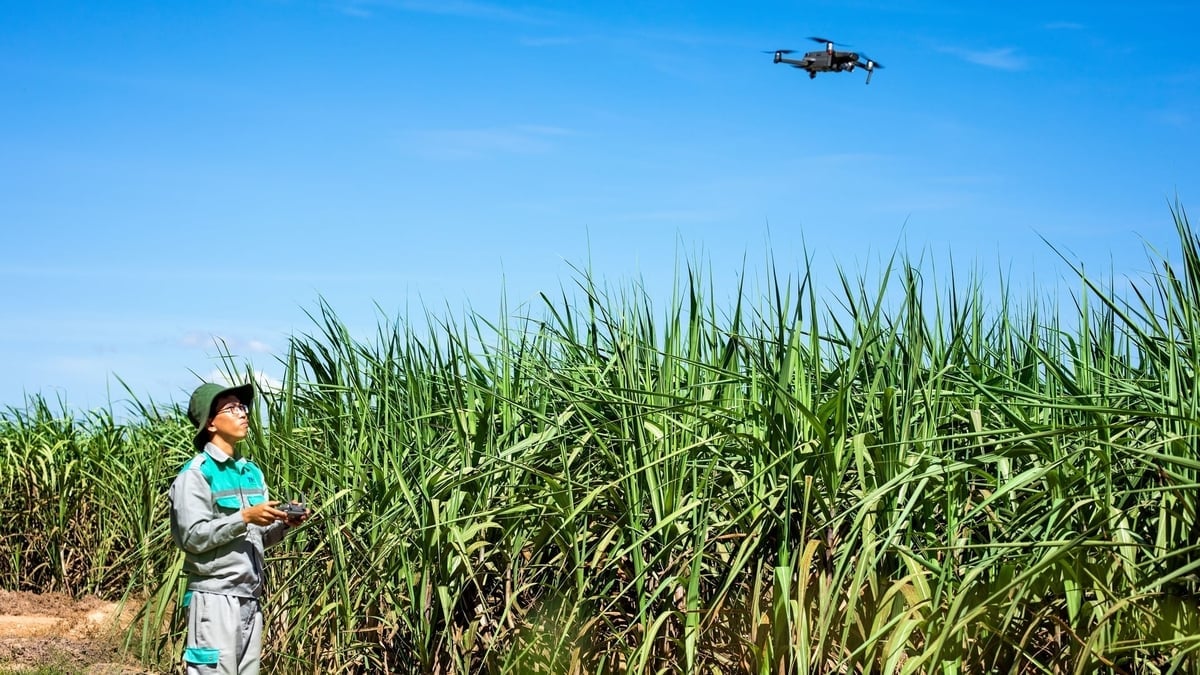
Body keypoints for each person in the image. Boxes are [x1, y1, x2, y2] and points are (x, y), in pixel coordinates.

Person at [169, 381, 308, 674]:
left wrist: (283, 523)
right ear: (210, 423)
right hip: (214, 599)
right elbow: (191, 537)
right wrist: (244, 517)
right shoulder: (196, 474)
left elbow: (255, 538)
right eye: (231, 408)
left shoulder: (251, 472)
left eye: (242, 407)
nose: (243, 413)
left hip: (250, 597)